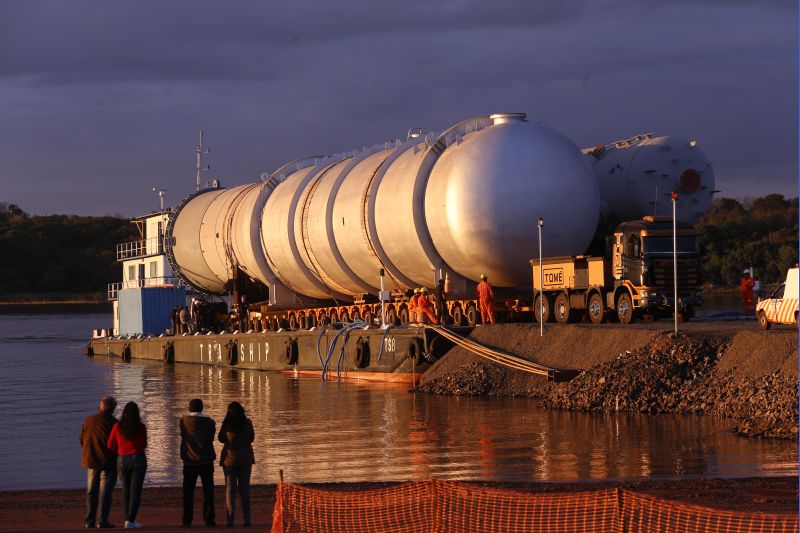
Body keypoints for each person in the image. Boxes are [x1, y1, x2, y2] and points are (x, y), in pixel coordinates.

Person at [107, 401, 147, 529]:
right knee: (135, 491)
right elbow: (144, 444)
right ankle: (131, 520)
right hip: (138, 458)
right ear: (137, 413)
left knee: (125, 490)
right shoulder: (141, 427)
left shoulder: (117, 426)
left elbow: (110, 445)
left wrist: (120, 450)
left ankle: (127, 520)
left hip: (122, 459)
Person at [80, 395, 118, 529]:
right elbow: (116, 445)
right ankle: (102, 521)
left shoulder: (88, 420)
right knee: (105, 493)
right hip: (108, 463)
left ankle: (89, 520)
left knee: (91, 491)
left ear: (100, 407)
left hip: (91, 461)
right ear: (113, 408)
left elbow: (81, 440)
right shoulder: (114, 423)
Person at [180, 399, 217, 528]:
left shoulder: (183, 422)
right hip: (206, 461)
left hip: (189, 462)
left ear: (190, 408)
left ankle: (187, 520)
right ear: (202, 408)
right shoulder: (210, 422)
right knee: (208, 492)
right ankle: (209, 519)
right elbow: (211, 438)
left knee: (188, 492)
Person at [218, 402, 255, 528]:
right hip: (245, 459)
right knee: (245, 489)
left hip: (229, 459)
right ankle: (247, 519)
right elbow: (251, 439)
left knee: (230, 489)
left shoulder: (227, 425)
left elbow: (220, 439)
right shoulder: (248, 423)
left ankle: (230, 519)